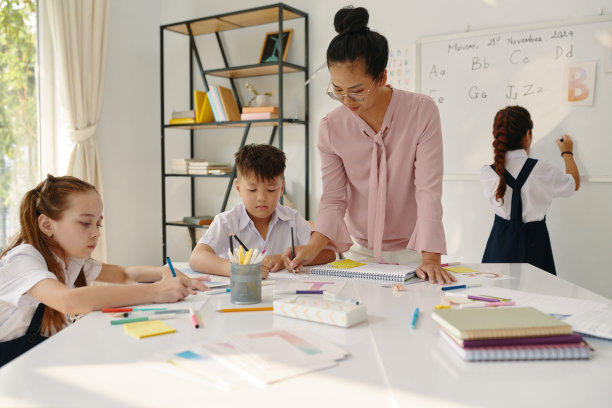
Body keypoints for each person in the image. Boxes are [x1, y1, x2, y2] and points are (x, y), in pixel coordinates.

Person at [282, 6, 455, 284]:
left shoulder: (421, 111)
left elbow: (428, 191)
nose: (347, 101)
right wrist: (311, 248)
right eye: (337, 91)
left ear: (382, 77)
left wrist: (431, 259)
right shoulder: (330, 127)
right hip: (357, 254)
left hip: (414, 252)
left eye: (357, 91)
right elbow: (334, 198)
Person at [0, 175, 210, 366]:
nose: (95, 234)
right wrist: (156, 292)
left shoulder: (71, 260)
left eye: (98, 224)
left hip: (35, 363)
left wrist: (163, 273)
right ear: (47, 224)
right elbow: (68, 300)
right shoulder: (24, 259)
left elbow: (124, 274)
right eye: (84, 223)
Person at [189, 143, 335, 277]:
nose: (261, 198)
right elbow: (196, 258)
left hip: (283, 297)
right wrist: (241, 269)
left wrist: (285, 259)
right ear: (238, 188)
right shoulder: (226, 221)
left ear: (281, 188)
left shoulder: (293, 219)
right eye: (252, 190)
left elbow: (329, 254)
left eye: (271, 190)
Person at [480, 105, 580, 275]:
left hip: (499, 246)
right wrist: (567, 153)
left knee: (497, 297)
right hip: (535, 245)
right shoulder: (543, 170)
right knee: (539, 296)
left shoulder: (486, 173)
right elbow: (573, 184)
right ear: (527, 135)